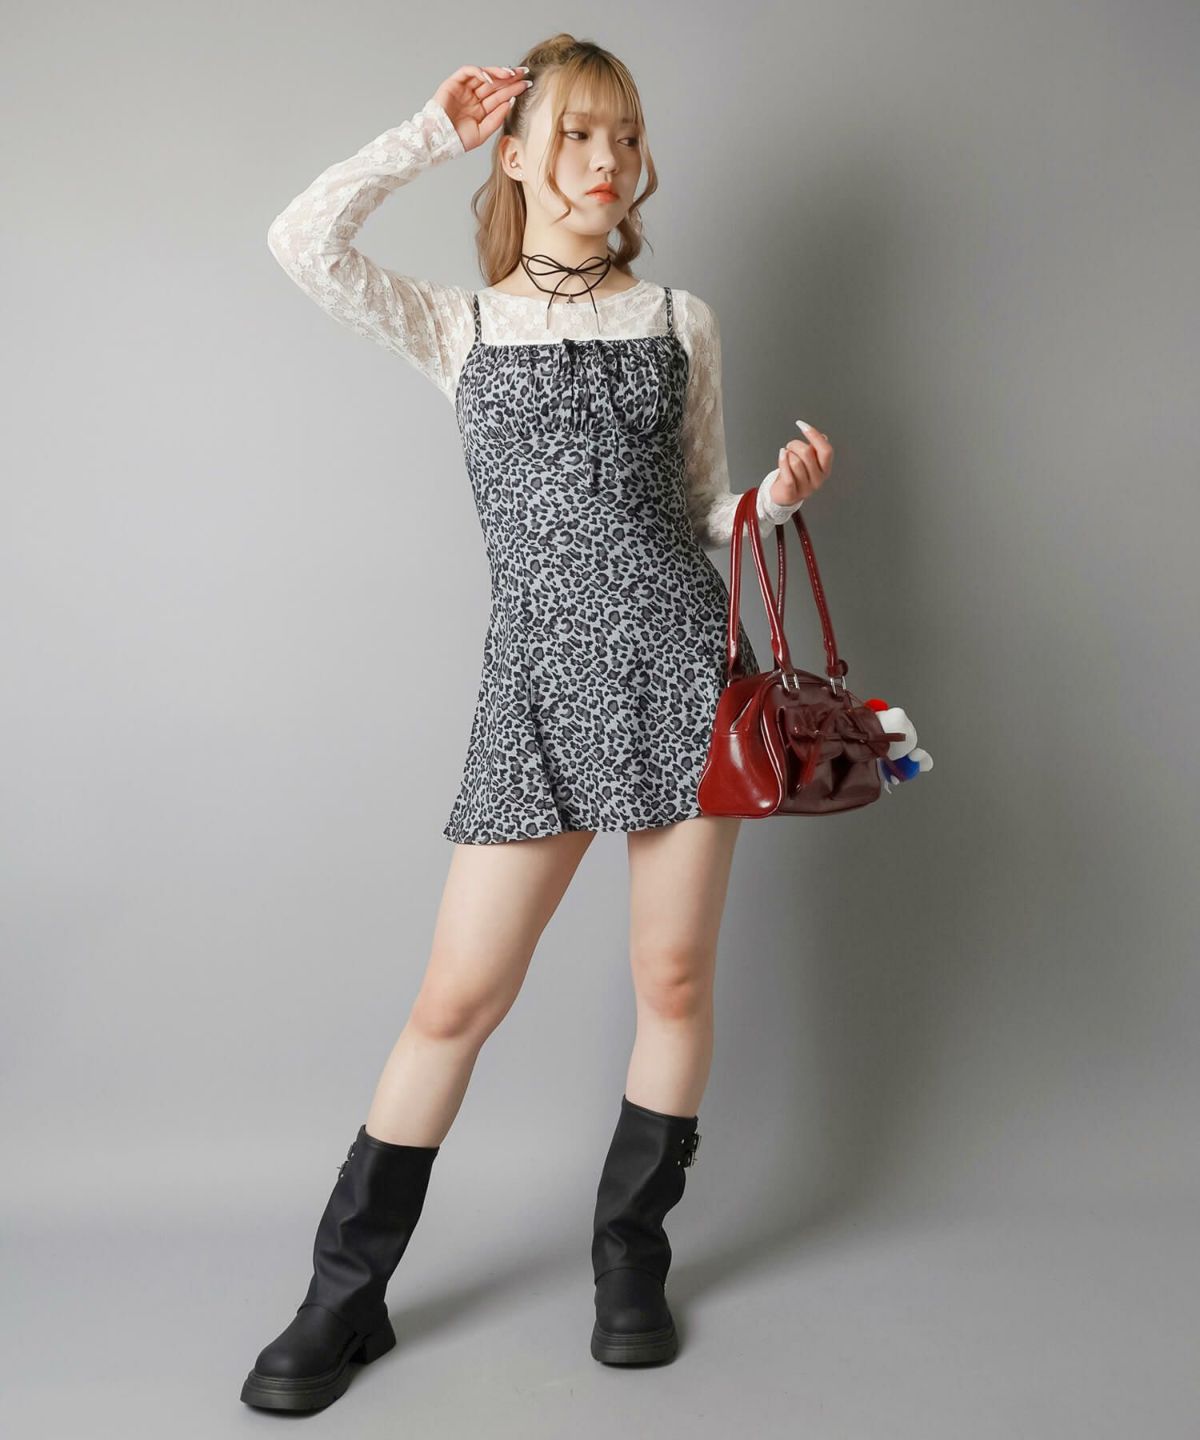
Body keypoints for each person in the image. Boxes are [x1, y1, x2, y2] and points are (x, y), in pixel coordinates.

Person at [242, 34, 833, 1412]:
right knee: (457, 1000)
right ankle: (343, 1299)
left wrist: (773, 506)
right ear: (516, 156)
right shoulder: (463, 327)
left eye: (623, 135)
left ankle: (631, 1263)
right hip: (538, 693)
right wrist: (421, 133)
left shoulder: (679, 319)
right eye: (575, 134)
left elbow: (703, 511)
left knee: (672, 983)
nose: (606, 160)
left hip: (687, 672)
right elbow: (301, 242)